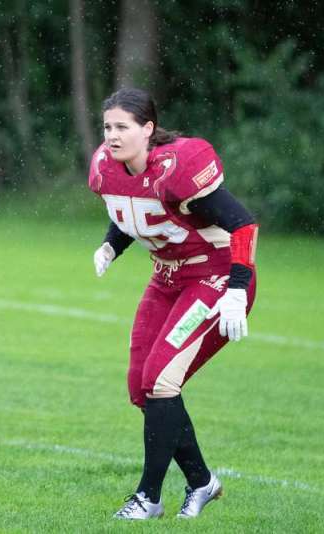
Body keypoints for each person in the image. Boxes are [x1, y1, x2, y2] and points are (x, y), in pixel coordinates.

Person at [88, 88, 258, 520]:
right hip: (166, 279)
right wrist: (111, 245)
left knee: (162, 380)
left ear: (147, 130)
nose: (111, 135)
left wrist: (237, 288)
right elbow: (134, 210)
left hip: (213, 277)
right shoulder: (109, 168)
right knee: (141, 387)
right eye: (107, 126)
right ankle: (203, 483)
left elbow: (243, 223)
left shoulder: (178, 170)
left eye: (122, 126)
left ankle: (149, 497)